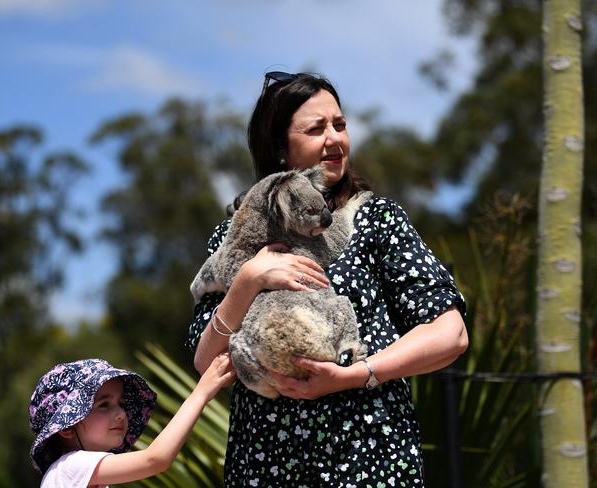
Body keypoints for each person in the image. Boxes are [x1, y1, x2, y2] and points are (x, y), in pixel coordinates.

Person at [186, 71, 468, 487]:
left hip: (371, 460)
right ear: (280, 149)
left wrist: (354, 375)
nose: (334, 139)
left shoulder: (376, 219)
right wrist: (247, 280)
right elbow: (206, 361)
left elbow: (451, 335)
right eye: (316, 129)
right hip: (265, 466)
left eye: (340, 124)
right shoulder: (232, 237)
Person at [28, 355, 234, 487]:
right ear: (67, 428)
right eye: (104, 405)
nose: (120, 414)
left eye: (121, 403)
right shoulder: (70, 467)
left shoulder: (84, 475)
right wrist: (201, 393)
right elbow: (155, 460)